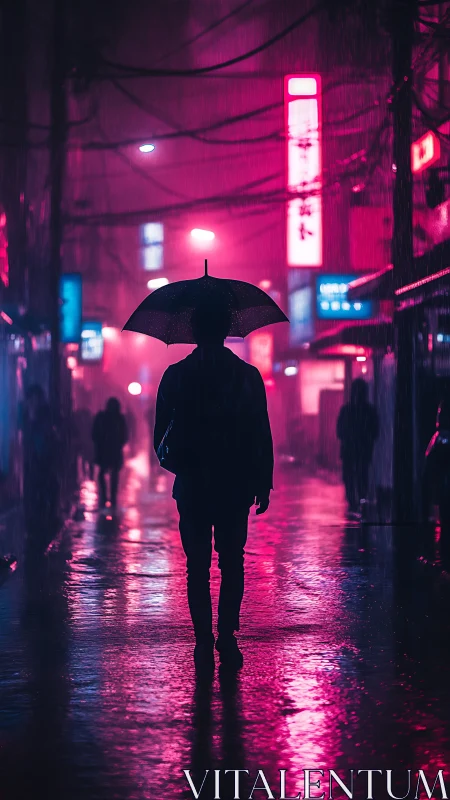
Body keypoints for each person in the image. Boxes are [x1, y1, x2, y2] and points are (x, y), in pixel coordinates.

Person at [154, 302, 274, 672]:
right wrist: (262, 481)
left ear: (192, 329)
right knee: (232, 561)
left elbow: (161, 438)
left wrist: (183, 467)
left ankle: (203, 640)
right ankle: (226, 635)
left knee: (198, 567)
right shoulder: (246, 376)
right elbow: (260, 433)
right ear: (226, 329)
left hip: (193, 486)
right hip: (235, 485)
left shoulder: (176, 375)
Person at [337, 378, 379, 518]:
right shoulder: (368, 411)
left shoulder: (347, 410)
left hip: (352, 450)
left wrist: (349, 439)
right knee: (360, 476)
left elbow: (340, 431)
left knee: (354, 476)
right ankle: (359, 500)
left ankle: (355, 501)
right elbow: (374, 431)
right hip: (360, 450)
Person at [22, 384, 59, 539]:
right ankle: (40, 518)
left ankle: (43, 517)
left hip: (43, 457)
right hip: (37, 457)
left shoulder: (42, 414)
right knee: (40, 488)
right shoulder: (31, 413)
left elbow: (45, 435)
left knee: (43, 487)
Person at [92, 397, 128, 510]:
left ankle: (105, 497)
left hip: (105, 450)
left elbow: (94, 433)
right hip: (113, 450)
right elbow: (124, 435)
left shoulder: (102, 417)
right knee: (113, 474)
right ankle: (111, 497)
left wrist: (100, 443)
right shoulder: (119, 418)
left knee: (104, 473)